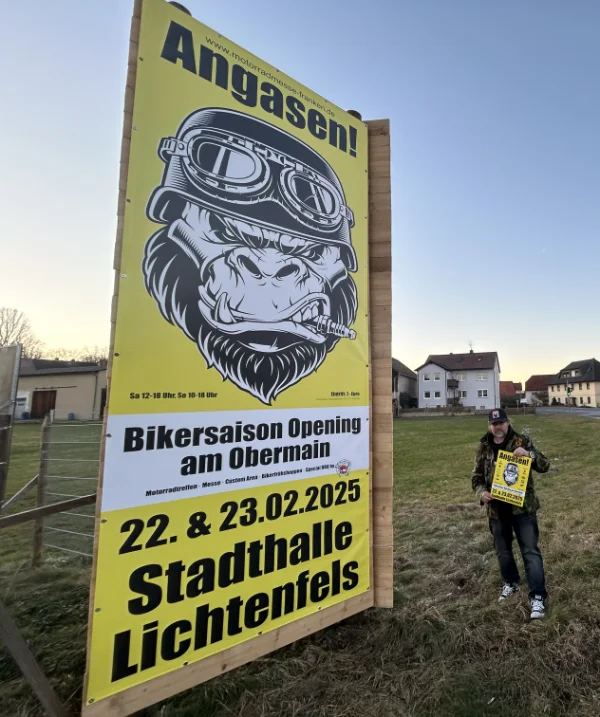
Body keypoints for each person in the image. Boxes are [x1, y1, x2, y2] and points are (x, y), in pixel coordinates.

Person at [471, 408, 550, 619]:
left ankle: (538, 597)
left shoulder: (522, 441)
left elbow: (545, 465)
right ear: (489, 425)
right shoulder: (483, 447)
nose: (498, 426)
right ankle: (511, 583)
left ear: (508, 422)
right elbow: (476, 477)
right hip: (497, 511)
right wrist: (482, 493)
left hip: (523, 509)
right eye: (494, 423)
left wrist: (530, 455)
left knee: (530, 552)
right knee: (503, 552)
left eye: (502, 422)